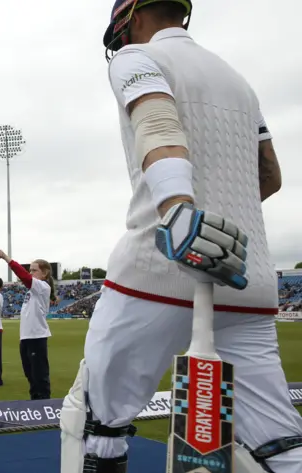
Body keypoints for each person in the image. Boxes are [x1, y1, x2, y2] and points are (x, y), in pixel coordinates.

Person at [59, 2, 302, 472]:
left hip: (159, 272)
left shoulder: (137, 57)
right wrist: (221, 225)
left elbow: (157, 123)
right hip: (245, 276)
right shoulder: (239, 81)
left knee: (92, 422)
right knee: (280, 444)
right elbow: (269, 176)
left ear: (131, 19)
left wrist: (180, 211)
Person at [0, 249, 54, 400]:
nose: (31, 272)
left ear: (45, 273)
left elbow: (24, 276)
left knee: (39, 374)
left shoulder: (42, 287)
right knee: (30, 373)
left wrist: (7, 259)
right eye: (30, 270)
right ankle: (35, 401)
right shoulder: (32, 290)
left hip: (37, 336)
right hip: (26, 337)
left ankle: (43, 403)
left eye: (34, 270)